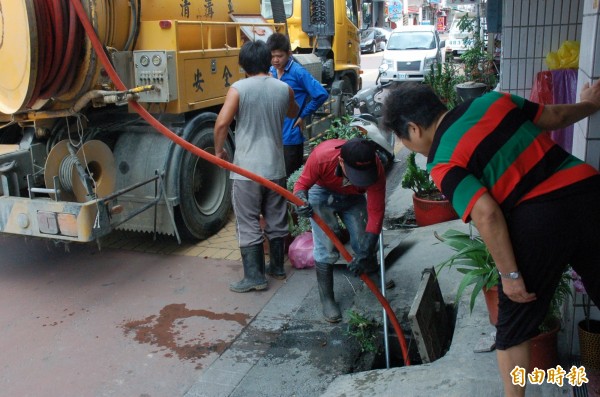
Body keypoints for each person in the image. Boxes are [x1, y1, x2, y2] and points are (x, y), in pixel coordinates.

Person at [382, 81, 600, 397]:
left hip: (540, 220)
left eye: (403, 138)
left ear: (413, 130)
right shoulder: (493, 101)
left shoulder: (442, 162)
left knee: (513, 331)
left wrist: (510, 277)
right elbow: (554, 116)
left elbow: (486, 213)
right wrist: (591, 105)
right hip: (587, 190)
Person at [214, 40, 299, 292]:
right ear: (268, 61)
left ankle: (254, 277)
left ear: (242, 64)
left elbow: (221, 124)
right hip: (275, 167)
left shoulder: (238, 89)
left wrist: (219, 151)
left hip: (247, 171)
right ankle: (277, 268)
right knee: (276, 218)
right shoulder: (284, 89)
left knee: (249, 220)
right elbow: (293, 113)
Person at [292, 137, 386, 323]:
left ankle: (372, 274)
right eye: (355, 174)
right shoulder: (322, 156)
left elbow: (376, 213)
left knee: (362, 238)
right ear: (341, 162)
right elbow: (301, 186)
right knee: (326, 245)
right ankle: (327, 298)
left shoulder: (376, 169)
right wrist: (301, 202)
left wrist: (364, 253)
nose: (360, 180)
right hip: (322, 192)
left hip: (353, 198)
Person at [267, 32, 329, 178]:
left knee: (291, 181)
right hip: (272, 137)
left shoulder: (298, 72)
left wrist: (302, 115)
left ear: (289, 53)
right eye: (272, 56)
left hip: (291, 137)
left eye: (280, 56)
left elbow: (321, 94)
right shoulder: (270, 71)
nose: (275, 60)